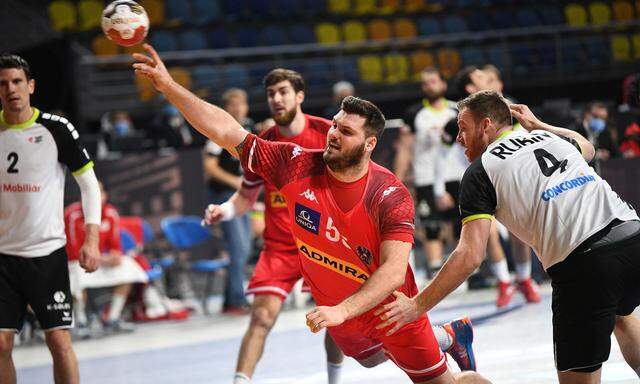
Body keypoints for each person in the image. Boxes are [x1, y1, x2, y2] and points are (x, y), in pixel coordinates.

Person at [133, 44, 489, 384]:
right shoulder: (295, 164)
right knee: (367, 359)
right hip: (343, 314)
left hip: (391, 311)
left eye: (345, 132)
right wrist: (168, 86)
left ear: (369, 144)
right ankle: (445, 336)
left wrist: (342, 310)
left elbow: (394, 272)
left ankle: (443, 339)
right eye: (334, 125)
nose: (333, 135)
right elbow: (227, 131)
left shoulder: (389, 193)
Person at [377, 90, 640, 384]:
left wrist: (417, 305)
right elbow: (588, 148)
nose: (459, 138)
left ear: (486, 125)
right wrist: (539, 124)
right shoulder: (552, 139)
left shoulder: (480, 171)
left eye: (463, 128)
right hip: (632, 237)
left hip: (586, 264)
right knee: (622, 315)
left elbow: (470, 255)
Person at [0, 54, 101, 384]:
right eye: (3, 84)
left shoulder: (56, 129)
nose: (10, 89)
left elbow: (89, 185)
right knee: (1, 344)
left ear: (30, 86)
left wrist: (91, 238)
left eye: (17, 82)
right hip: (3, 256)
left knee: (58, 341)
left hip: (47, 254)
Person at [456, 67, 540, 308]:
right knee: (488, 232)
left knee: (519, 232)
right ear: (470, 89)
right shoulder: (463, 113)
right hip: (481, 177)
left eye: (490, 78)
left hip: (510, 175)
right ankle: (504, 281)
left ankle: (523, 279)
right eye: (483, 78)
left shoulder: (509, 107)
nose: (490, 81)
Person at [394, 68, 459, 277]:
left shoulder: (457, 111)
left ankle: (468, 273)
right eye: (425, 83)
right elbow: (405, 149)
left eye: (433, 81)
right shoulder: (414, 115)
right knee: (431, 226)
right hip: (426, 177)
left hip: (456, 174)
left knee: (463, 224)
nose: (429, 86)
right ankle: (435, 271)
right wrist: (397, 179)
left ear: (443, 84)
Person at [65, 181, 148, 333]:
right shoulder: (72, 215)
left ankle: (113, 318)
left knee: (128, 266)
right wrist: (99, 258)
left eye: (99, 192)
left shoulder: (111, 213)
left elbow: (115, 247)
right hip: (77, 264)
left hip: (99, 262)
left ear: (104, 195)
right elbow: (72, 252)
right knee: (76, 272)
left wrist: (114, 257)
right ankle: (81, 322)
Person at [204, 88, 254, 314]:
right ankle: (235, 300)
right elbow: (209, 166)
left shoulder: (248, 129)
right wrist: (235, 182)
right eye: (232, 104)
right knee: (239, 248)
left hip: (243, 196)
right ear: (226, 108)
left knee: (244, 248)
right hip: (224, 195)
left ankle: (230, 299)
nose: (237, 108)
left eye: (241, 103)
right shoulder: (220, 131)